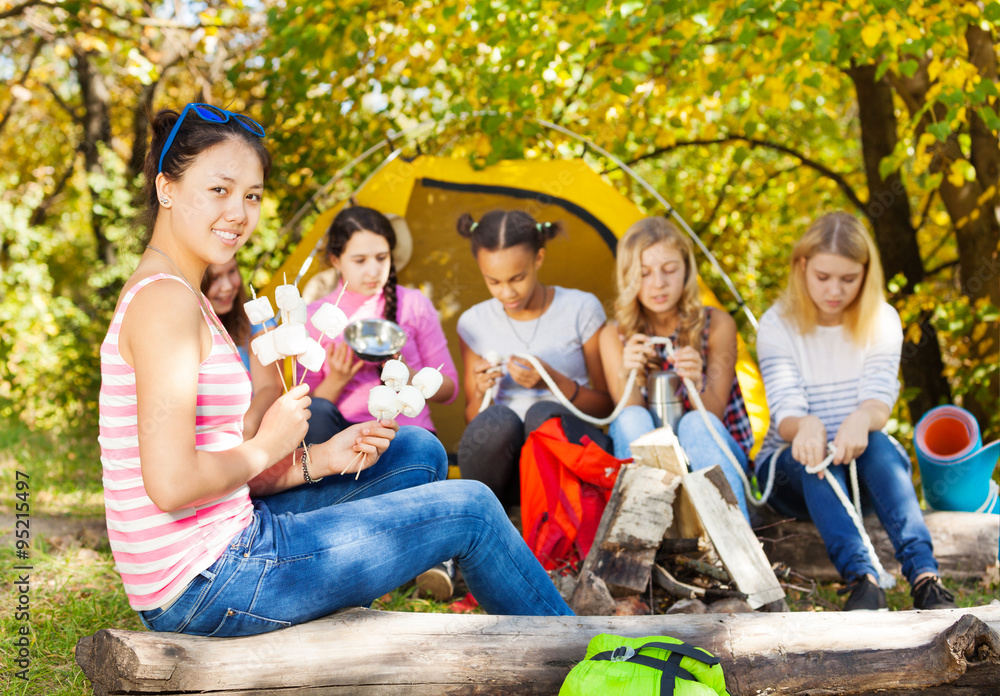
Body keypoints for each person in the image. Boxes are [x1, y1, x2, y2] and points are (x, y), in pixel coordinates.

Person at [98, 103, 572, 639]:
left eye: (251, 195)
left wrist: (319, 458)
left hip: (229, 540)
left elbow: (208, 464)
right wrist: (268, 443)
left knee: (417, 454)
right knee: (474, 509)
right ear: (166, 188)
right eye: (219, 190)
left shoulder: (182, 293)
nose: (239, 212)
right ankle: (588, 655)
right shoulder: (165, 303)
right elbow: (172, 484)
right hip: (207, 584)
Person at [755, 211, 956, 611]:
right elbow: (785, 411)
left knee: (880, 445)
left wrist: (862, 419)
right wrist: (807, 425)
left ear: (866, 273)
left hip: (859, 469)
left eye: (849, 279)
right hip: (790, 474)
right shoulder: (776, 324)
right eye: (823, 277)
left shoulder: (882, 319)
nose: (835, 291)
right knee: (816, 462)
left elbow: (879, 399)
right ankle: (862, 579)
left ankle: (925, 576)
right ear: (802, 266)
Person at [599, 217, 755, 520]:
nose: (658, 283)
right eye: (644, 274)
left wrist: (697, 381)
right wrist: (626, 373)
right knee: (632, 416)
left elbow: (713, 421)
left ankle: (740, 542)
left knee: (696, 422)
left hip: (715, 460)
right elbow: (629, 421)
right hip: (653, 473)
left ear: (686, 270)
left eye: (669, 270)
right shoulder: (614, 336)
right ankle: (641, 532)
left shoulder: (717, 325)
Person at [455, 210, 614, 508]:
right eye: (494, 282)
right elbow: (473, 419)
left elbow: (607, 407)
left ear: (538, 259)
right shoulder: (473, 322)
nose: (507, 293)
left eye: (518, 277)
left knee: (543, 415)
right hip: (506, 471)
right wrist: (480, 390)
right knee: (497, 421)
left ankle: (559, 528)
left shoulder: (581, 308)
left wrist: (552, 381)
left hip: (567, 460)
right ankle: (482, 520)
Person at [298, 206, 459, 444]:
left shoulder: (414, 305)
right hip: (342, 438)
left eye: (382, 258)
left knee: (422, 446)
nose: (373, 270)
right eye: (360, 260)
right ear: (336, 260)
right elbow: (307, 412)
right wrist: (337, 379)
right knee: (317, 414)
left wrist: (406, 372)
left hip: (406, 434)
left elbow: (450, 390)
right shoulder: (315, 317)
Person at [202, 258, 282, 438]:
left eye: (231, 272)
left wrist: (247, 425)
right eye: (215, 278)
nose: (228, 286)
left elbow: (270, 386)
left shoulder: (258, 323)